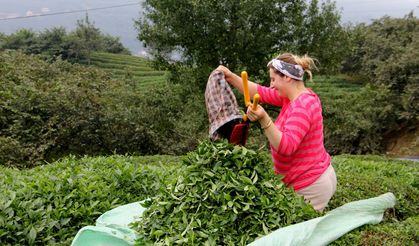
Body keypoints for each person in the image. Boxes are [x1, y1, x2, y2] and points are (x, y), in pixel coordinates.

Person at [215, 53, 337, 212]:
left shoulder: (302, 106)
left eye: (273, 79)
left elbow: (286, 147)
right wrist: (230, 77)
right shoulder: (290, 97)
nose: (271, 85)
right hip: (308, 180)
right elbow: (260, 92)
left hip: (311, 187)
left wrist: (264, 119)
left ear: (287, 77)